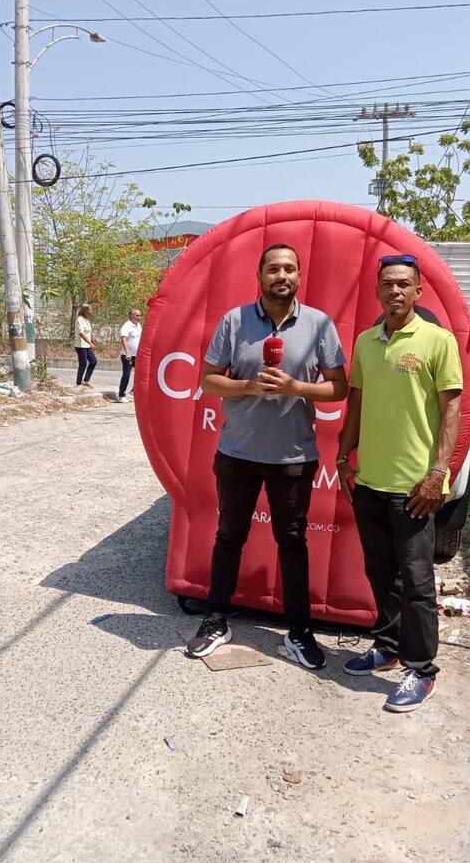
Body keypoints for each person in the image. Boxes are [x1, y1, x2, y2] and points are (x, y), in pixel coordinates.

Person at [184, 243, 349, 669]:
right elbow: (209, 381)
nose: (282, 276)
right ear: (259, 276)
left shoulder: (320, 325)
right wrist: (247, 387)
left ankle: (298, 631)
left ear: (299, 276)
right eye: (273, 268)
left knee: (292, 543)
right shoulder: (234, 321)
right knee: (228, 538)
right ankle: (216, 619)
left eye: (289, 269)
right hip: (237, 452)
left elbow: (339, 388)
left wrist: (297, 388)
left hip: (293, 457)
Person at [335, 254, 463, 713]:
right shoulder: (367, 342)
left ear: (418, 291)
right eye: (387, 284)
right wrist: (343, 455)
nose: (395, 291)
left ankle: (422, 669)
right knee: (379, 572)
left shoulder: (437, 341)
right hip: (369, 480)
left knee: (417, 581)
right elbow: (357, 403)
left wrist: (438, 473)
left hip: (413, 487)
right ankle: (387, 647)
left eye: (404, 284)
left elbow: (453, 410)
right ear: (377, 290)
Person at [117, 308, 142, 403]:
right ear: (131, 315)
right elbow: (124, 339)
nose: (139, 317)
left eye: (140, 315)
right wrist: (127, 352)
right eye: (137, 315)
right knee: (126, 375)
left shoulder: (138, 325)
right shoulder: (126, 326)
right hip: (128, 355)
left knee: (141, 374)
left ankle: (133, 391)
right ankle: (121, 395)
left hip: (138, 355)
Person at [74, 303, 98, 388]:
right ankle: (78, 383)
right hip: (81, 346)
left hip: (87, 345)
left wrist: (92, 340)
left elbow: (88, 333)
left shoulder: (86, 320)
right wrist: (89, 343)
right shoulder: (79, 319)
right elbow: (82, 333)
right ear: (84, 311)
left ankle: (86, 380)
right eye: (89, 310)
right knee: (83, 364)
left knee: (93, 361)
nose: (91, 312)